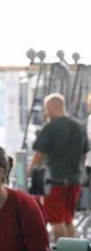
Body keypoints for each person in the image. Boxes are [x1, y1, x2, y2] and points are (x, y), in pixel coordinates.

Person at [27, 93, 89, 241]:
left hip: (54, 182)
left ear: (55, 107)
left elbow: (39, 154)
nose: (46, 113)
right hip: (75, 182)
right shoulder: (79, 127)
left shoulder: (50, 127)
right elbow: (84, 154)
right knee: (68, 220)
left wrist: (29, 172)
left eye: (47, 109)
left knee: (57, 220)